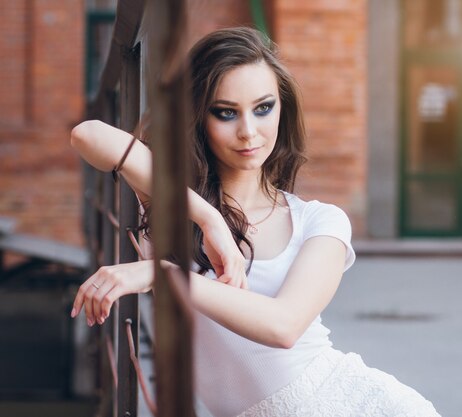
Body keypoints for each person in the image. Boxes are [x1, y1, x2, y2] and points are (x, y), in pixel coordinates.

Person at [70, 27, 440, 417]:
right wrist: (207, 217)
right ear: (198, 116)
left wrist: (164, 274)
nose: (248, 131)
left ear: (283, 108)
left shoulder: (320, 221)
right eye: (225, 112)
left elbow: (284, 327)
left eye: (263, 108)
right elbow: (88, 136)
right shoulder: (170, 201)